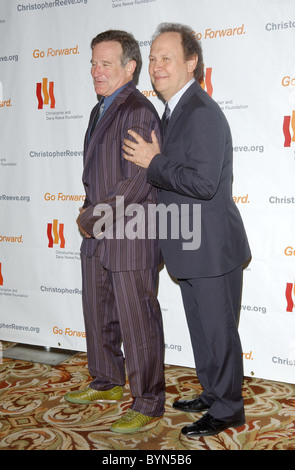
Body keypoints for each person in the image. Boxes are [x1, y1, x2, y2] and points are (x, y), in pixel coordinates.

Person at [123, 23, 251, 437]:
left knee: (218, 332)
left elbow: (203, 183)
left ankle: (229, 408)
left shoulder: (200, 112)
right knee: (202, 329)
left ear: (191, 63)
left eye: (167, 58)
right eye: (154, 57)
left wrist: (152, 161)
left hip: (212, 249)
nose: (157, 66)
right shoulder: (175, 110)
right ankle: (215, 394)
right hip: (190, 245)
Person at [64, 30, 165, 434]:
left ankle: (148, 401)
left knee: (137, 322)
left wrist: (90, 220)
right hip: (100, 236)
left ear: (130, 67)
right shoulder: (99, 109)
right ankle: (106, 380)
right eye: (93, 62)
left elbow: (137, 183)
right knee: (98, 313)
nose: (96, 71)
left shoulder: (138, 111)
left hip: (130, 237)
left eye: (106, 63)